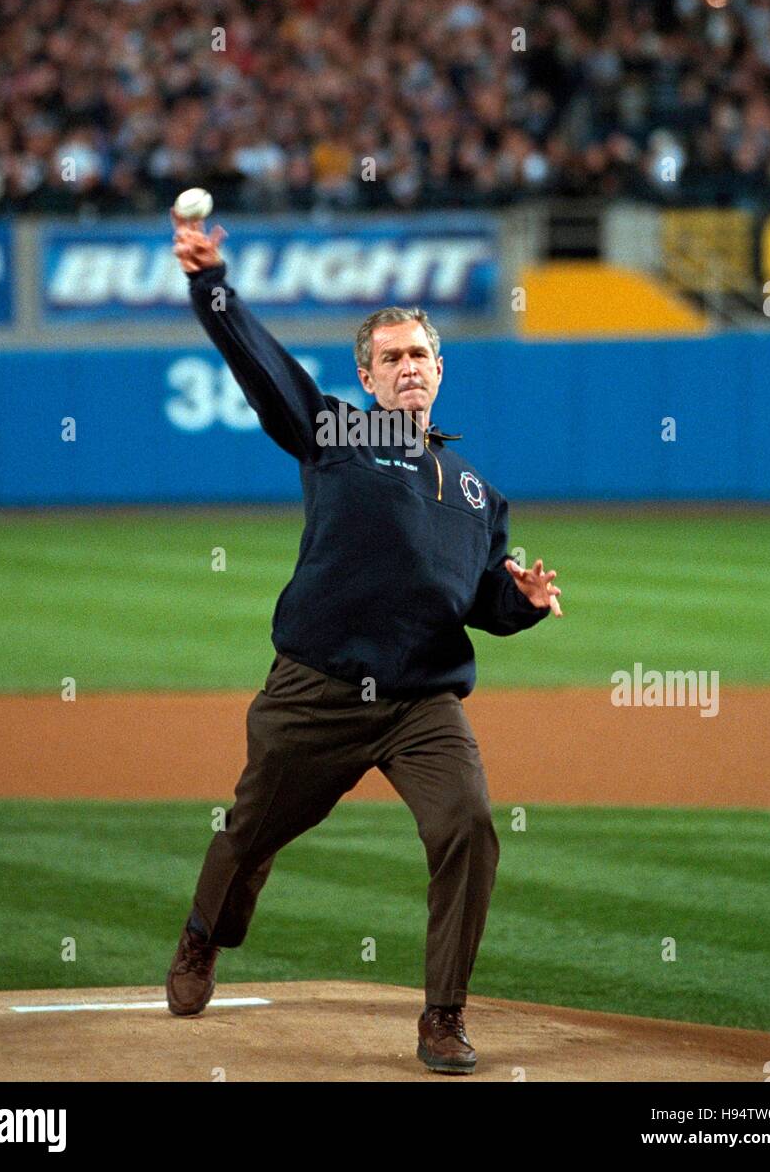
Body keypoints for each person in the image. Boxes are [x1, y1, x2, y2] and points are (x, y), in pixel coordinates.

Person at [165, 208, 562, 1075]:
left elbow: (475, 603)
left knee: (469, 825)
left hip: (420, 702)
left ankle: (442, 1017)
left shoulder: (475, 492)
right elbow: (263, 369)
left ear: (440, 369)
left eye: (420, 354)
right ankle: (204, 934)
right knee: (249, 837)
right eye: (391, 357)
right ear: (366, 378)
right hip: (317, 690)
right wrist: (209, 284)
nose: (408, 367)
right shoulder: (340, 435)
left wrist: (520, 600)